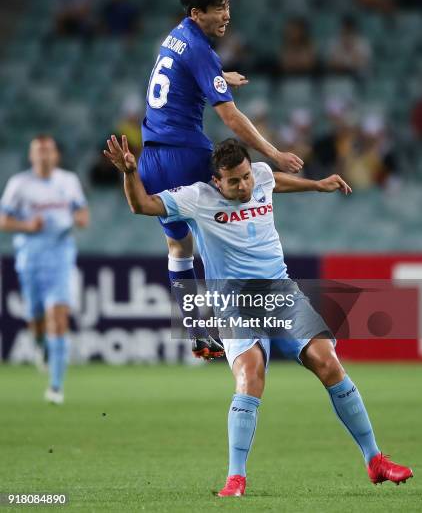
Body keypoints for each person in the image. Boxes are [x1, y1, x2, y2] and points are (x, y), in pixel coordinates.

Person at [105, 134, 413, 496]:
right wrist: (130, 173)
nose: (244, 185)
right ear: (216, 181)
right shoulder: (197, 198)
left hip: (281, 293)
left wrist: (316, 184)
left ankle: (375, 460)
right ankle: (236, 478)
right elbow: (141, 205)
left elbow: (274, 180)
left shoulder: (261, 177)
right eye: (233, 181)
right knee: (250, 376)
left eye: (246, 176)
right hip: (234, 304)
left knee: (328, 362)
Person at [139, 0, 303, 359]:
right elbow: (230, 118)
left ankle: (195, 328)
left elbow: (177, 78)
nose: (226, 15)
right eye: (218, 9)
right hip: (185, 152)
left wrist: (216, 76)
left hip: (151, 157)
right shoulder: (200, 49)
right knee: (241, 199)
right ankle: (245, 315)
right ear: (197, 13)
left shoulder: (176, 36)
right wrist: (274, 152)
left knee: (179, 245)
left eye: (227, 5)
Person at [0, 136, 89, 404]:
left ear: (56, 155)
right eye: (38, 151)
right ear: (31, 156)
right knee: (37, 320)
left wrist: (72, 219)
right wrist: (28, 226)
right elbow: (3, 219)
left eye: (48, 150)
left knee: (59, 316)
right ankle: (41, 346)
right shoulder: (19, 184)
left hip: (61, 258)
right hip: (30, 260)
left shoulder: (68, 181)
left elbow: (84, 216)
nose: (43, 156)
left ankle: (56, 387)